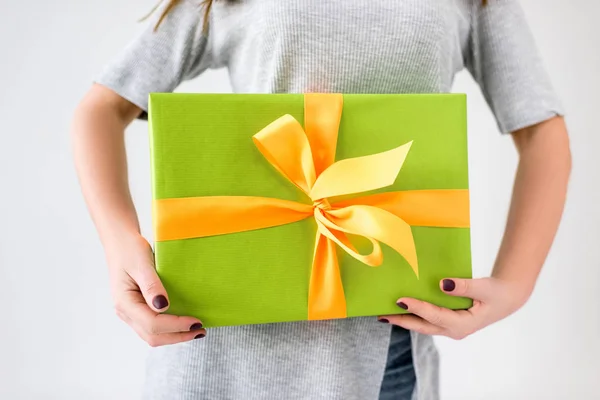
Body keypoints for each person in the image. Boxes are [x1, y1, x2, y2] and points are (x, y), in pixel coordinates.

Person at [70, 1, 572, 399]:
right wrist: (120, 247)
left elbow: (541, 133)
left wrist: (515, 286)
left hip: (380, 356)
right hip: (223, 350)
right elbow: (102, 108)